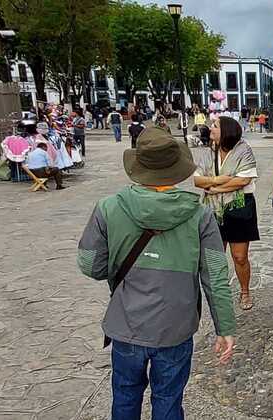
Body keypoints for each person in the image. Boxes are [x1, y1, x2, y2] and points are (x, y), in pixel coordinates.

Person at [77, 128, 236, 419]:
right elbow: (215, 276)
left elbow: (90, 264)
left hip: (127, 323)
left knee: (125, 397)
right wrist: (224, 327)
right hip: (175, 327)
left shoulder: (108, 208)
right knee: (168, 400)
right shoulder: (200, 215)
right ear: (177, 170)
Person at [193, 116, 260, 311]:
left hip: (239, 208)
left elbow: (243, 181)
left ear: (227, 131)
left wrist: (213, 186)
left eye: (215, 126)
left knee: (239, 256)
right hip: (212, 209)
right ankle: (218, 293)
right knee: (215, 254)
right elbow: (197, 181)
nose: (210, 128)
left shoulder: (243, 150)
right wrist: (221, 179)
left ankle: (245, 290)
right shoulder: (208, 152)